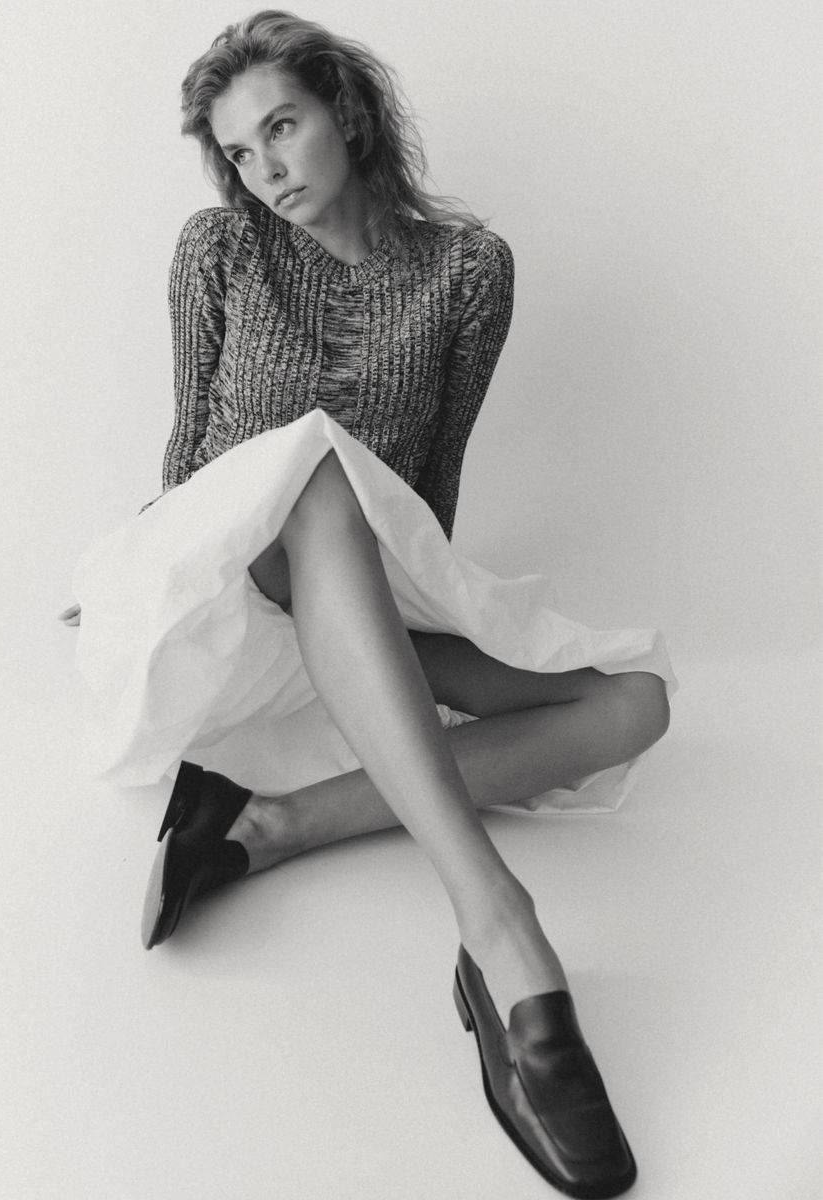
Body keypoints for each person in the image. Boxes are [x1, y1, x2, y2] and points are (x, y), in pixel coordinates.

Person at [61, 11, 674, 1197]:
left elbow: (430, 488)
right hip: (238, 580)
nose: (266, 167)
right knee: (316, 471)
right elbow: (190, 453)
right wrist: (138, 583)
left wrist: (414, 633)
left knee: (633, 708)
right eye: (240, 150)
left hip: (361, 585)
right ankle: (501, 932)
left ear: (346, 110)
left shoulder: (468, 271)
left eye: (281, 126)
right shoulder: (219, 251)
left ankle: (268, 826)